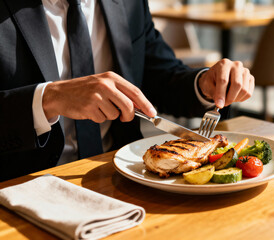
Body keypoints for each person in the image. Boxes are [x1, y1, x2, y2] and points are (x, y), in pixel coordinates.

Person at [0, 0, 255, 181]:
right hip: (23, 185)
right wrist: (47, 99)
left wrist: (204, 85)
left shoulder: (129, 4)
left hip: (123, 178)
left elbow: (159, 77)